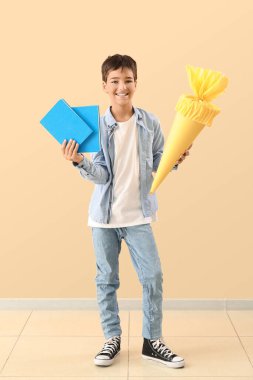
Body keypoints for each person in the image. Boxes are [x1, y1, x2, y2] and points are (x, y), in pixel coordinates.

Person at [62, 54, 192, 369]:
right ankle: (111, 339)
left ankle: (152, 341)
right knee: (106, 279)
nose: (123, 87)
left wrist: (175, 158)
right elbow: (103, 176)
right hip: (104, 218)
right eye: (116, 81)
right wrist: (80, 162)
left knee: (153, 276)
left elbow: (159, 163)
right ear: (105, 86)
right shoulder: (97, 127)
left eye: (128, 80)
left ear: (136, 82)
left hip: (139, 216)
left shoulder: (151, 122)